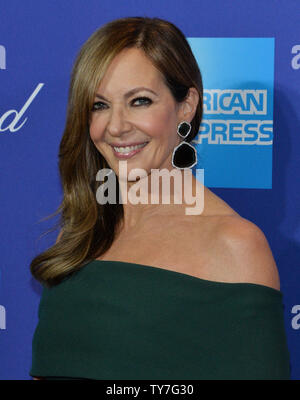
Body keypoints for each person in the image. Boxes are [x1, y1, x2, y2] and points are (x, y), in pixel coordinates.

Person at [29, 16, 291, 380]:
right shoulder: (77, 236)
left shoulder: (234, 245)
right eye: (99, 105)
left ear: (186, 106)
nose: (116, 126)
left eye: (139, 101)